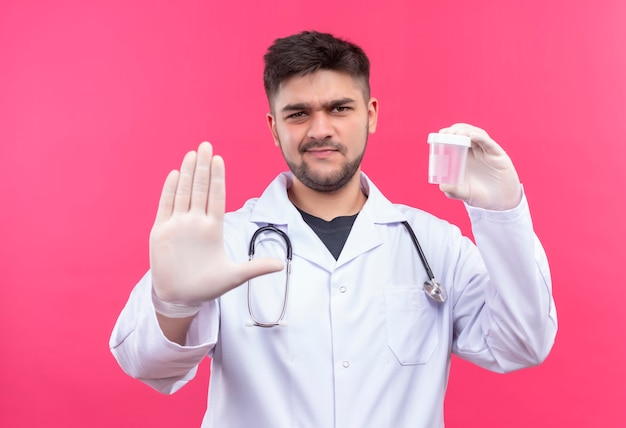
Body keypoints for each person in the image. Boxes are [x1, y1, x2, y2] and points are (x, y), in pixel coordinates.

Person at [110, 30, 557, 428]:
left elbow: (521, 345)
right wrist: (173, 305)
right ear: (274, 128)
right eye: (298, 113)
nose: (320, 130)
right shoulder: (221, 244)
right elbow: (147, 365)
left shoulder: (434, 245)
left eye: (339, 108)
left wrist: (502, 212)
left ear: (371, 114)